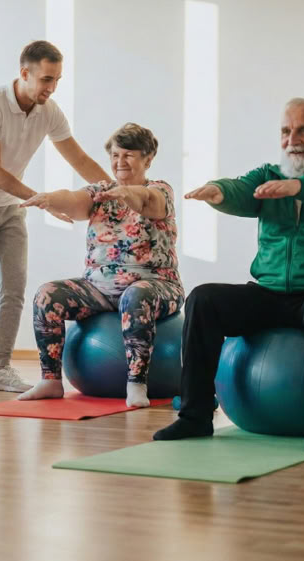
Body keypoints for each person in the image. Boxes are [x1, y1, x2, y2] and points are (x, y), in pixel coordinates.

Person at [153, 98, 304, 452]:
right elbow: (241, 189)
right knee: (204, 298)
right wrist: (218, 191)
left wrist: (298, 187)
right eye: (286, 131)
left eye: (303, 130)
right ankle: (194, 415)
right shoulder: (269, 174)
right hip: (272, 293)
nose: (292, 139)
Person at [0, 40, 110, 397]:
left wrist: (113, 191)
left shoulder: (49, 111)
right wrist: (43, 202)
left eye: (57, 81)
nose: (51, 89)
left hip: (9, 207)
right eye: (46, 79)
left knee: (15, 287)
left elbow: (79, 160)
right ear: (24, 73)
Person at [18, 123, 184, 407]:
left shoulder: (160, 190)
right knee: (47, 294)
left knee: (136, 294)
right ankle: (50, 380)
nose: (120, 162)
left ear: (147, 159)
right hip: (99, 289)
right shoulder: (101, 192)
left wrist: (127, 194)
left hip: (156, 286)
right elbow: (73, 201)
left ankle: (136, 384)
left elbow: (148, 202)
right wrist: (49, 199)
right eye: (116, 155)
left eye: (129, 155)